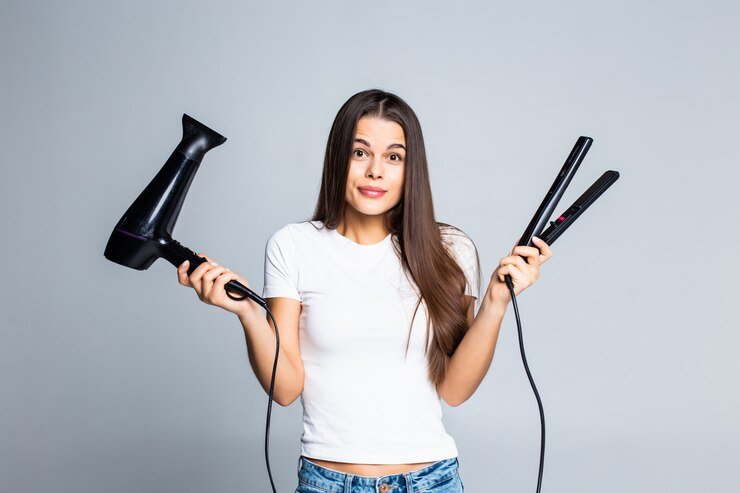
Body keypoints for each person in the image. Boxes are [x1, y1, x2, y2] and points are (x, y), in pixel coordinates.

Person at [177, 89, 553, 492]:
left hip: (431, 481)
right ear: (338, 159)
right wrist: (249, 313)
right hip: (327, 482)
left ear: (412, 169)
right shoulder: (293, 245)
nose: (376, 171)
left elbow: (455, 390)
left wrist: (495, 303)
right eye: (360, 153)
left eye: (394, 157)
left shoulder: (450, 250)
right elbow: (285, 389)